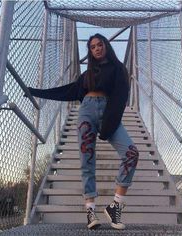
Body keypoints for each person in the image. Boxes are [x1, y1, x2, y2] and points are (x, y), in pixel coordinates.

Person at [26, 33, 139, 230]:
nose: (97, 48)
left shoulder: (118, 68)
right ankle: (90, 211)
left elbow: (121, 96)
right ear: (90, 51)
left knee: (131, 153)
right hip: (86, 112)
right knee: (87, 161)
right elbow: (67, 91)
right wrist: (36, 92)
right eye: (93, 46)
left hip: (108, 111)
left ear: (105, 46)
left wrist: (109, 124)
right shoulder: (86, 75)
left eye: (100, 44)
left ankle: (116, 206)